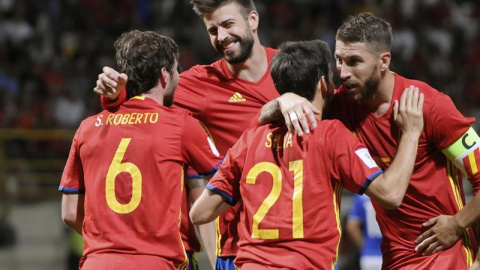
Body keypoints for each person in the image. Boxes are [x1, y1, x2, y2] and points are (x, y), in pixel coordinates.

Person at [92, 1, 318, 269]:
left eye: (228, 24)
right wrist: (115, 95)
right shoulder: (199, 83)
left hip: (306, 240)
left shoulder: (294, 70)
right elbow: (141, 106)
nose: (221, 37)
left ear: (253, 20)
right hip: (240, 246)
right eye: (212, 30)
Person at [260, 12, 480, 269]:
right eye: (339, 60)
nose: (343, 73)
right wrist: (282, 101)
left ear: (383, 61)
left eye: (354, 61)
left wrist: (458, 223)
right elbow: (263, 119)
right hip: (394, 258)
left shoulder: (429, 106)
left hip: (444, 254)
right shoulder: (342, 106)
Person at [190, 39, 424, 269]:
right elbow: (391, 195)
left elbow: (199, 213)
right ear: (324, 84)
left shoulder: (249, 141)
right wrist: (411, 133)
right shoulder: (330, 135)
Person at [59, 30, 223, 270]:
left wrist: (108, 239)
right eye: (176, 70)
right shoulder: (181, 125)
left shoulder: (87, 128)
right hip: (155, 262)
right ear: (164, 75)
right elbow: (225, 182)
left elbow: (70, 213)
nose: (179, 77)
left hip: (98, 262)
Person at [346, 194, 383, 270]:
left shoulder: (361, 197)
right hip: (390, 254)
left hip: (369, 256)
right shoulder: (391, 194)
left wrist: (364, 246)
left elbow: (352, 226)